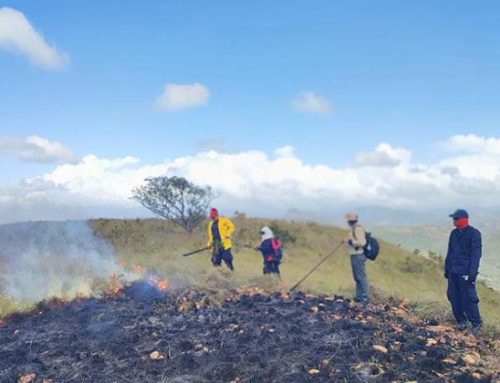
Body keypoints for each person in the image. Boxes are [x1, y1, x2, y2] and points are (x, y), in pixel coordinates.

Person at [445, 209, 482, 334]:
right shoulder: (454, 233)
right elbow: (449, 252)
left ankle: (476, 324)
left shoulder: (474, 234)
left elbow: (476, 255)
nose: (454, 221)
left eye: (456, 219)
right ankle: (461, 321)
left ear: (464, 219)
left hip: (465, 272)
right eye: (453, 218)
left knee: (468, 298)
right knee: (453, 296)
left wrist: (472, 274)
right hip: (453, 271)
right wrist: (447, 269)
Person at [345, 212, 369, 303]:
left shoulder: (357, 229)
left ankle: (364, 298)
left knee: (361, 276)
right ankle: (359, 296)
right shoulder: (354, 229)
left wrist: (352, 243)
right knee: (357, 277)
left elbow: (362, 242)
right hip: (355, 254)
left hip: (358, 255)